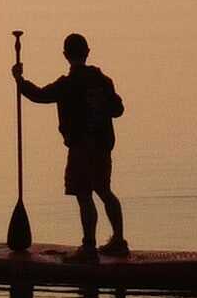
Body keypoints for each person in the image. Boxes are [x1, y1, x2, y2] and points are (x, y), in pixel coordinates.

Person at [13, 32, 129, 256]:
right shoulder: (103, 81)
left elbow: (40, 96)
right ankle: (119, 241)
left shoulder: (66, 84)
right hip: (103, 147)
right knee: (105, 191)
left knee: (84, 195)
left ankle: (88, 246)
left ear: (66, 55)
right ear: (87, 53)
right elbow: (118, 110)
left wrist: (19, 81)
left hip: (80, 150)